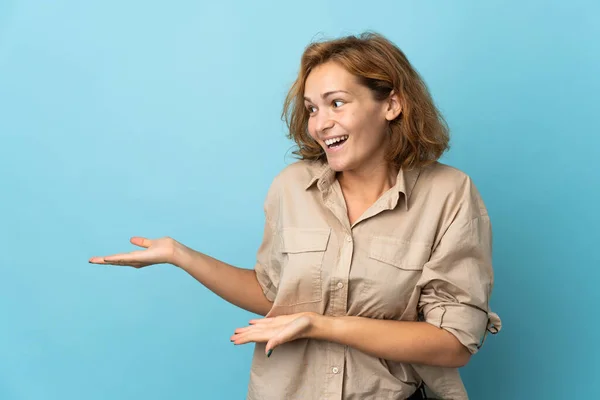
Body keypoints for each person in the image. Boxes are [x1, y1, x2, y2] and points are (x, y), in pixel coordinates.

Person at [89, 31, 501, 400]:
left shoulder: (449, 194)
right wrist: (180, 254)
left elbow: (453, 344)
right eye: (312, 109)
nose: (320, 124)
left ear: (391, 104)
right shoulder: (291, 187)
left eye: (336, 103)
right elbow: (273, 294)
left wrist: (320, 325)